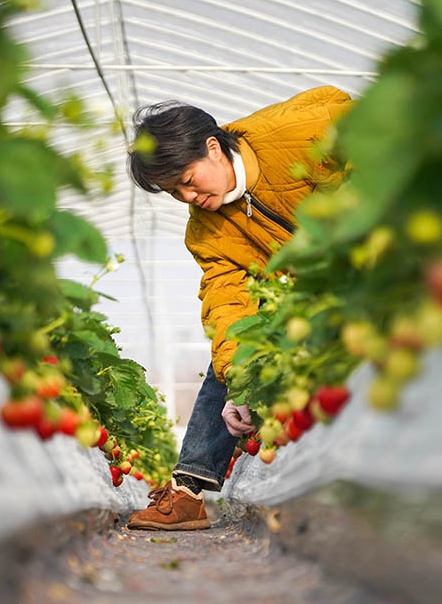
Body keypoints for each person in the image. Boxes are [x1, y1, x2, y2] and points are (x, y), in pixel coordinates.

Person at [125, 86, 353, 530]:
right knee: (239, 341)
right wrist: (241, 386)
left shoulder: (304, 134)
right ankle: (189, 489)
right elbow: (228, 302)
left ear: (213, 147)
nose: (188, 198)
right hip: (308, 294)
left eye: (188, 181)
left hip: (373, 259)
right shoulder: (207, 232)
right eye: (174, 192)